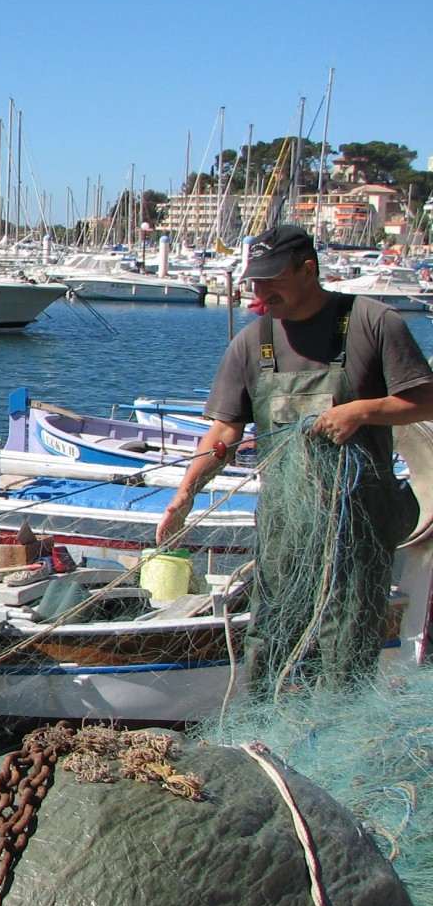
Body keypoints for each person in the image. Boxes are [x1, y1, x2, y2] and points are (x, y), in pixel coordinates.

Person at [157, 224, 433, 690]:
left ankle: (334, 743)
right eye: (254, 280)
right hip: (286, 528)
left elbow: (425, 401)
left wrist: (363, 410)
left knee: (345, 649)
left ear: (308, 270)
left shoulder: (373, 322)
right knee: (271, 642)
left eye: (271, 279)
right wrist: (184, 495)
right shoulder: (252, 342)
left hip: (358, 526)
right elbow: (224, 430)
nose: (260, 290)